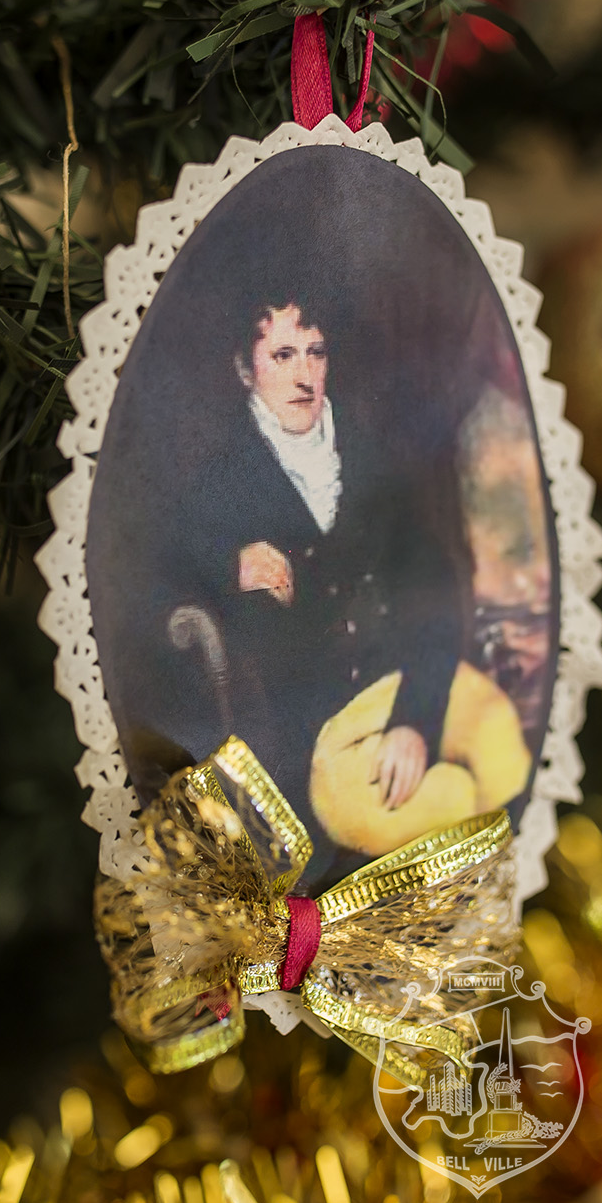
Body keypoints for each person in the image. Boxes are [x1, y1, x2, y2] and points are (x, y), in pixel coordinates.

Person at [171, 299, 531, 871]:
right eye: (282, 355)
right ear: (245, 369)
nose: (304, 375)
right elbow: (159, 581)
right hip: (314, 739)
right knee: (436, 811)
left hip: (404, 686)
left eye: (315, 353)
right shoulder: (219, 483)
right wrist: (228, 566)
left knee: (504, 748)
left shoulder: (374, 458)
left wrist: (415, 721)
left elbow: (432, 587)